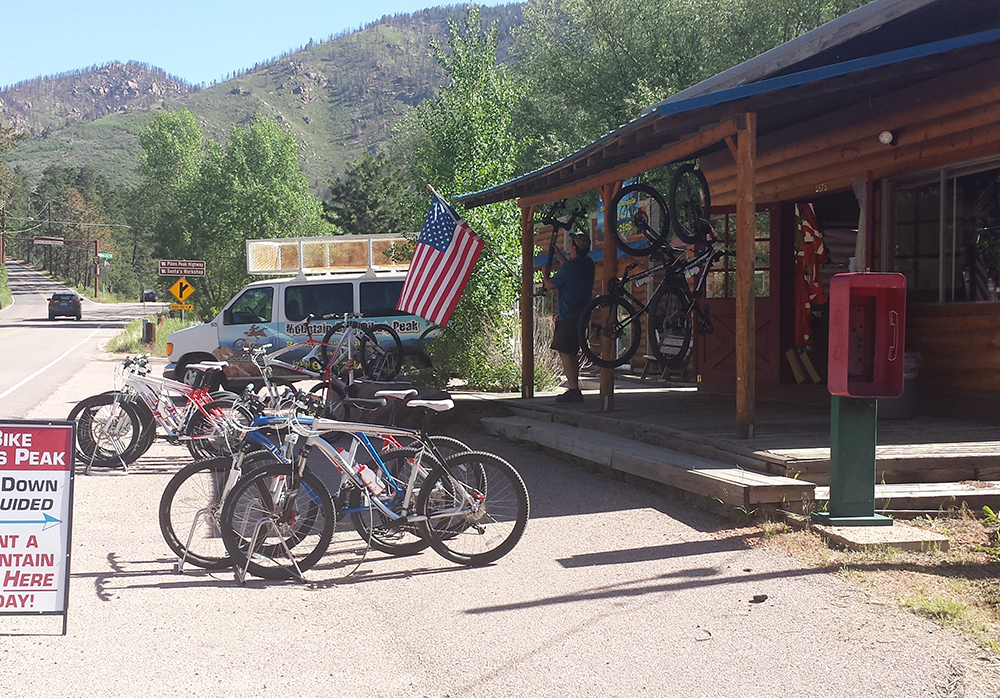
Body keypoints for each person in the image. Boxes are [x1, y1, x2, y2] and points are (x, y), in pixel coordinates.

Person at [542, 231, 595, 403]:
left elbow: (550, 285)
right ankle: (574, 388)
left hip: (567, 314)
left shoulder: (569, 268)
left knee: (565, 352)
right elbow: (570, 267)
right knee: (572, 351)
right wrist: (557, 254)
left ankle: (573, 388)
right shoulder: (588, 264)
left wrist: (545, 273)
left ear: (573, 247)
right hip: (582, 314)